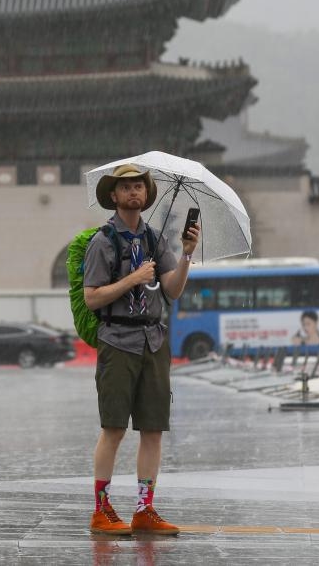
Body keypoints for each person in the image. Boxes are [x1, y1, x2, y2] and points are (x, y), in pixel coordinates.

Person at [82, 164, 200, 536]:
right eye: (126, 188)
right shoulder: (103, 241)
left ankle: (144, 509)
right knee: (114, 428)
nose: (134, 192)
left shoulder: (154, 239)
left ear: (146, 194)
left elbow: (173, 289)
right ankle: (101, 509)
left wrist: (185, 255)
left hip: (154, 341)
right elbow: (91, 297)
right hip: (118, 341)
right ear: (113, 197)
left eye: (139, 186)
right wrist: (132, 278)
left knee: (153, 429)